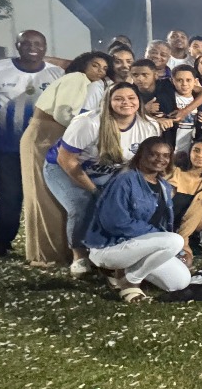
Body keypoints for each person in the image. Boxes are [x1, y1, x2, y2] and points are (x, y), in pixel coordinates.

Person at [44, 83, 161, 276]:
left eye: (131, 98)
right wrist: (94, 190)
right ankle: (79, 256)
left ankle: (112, 248)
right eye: (119, 98)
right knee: (82, 204)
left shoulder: (149, 126)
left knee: (126, 202)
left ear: (139, 101)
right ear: (108, 101)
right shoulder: (88, 123)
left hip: (110, 171)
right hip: (64, 168)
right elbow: (66, 159)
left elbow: (141, 162)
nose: (126, 102)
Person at [0, 29, 64, 259]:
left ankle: (49, 243)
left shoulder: (57, 74)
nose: (33, 47)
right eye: (27, 43)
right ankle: (1, 242)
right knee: (10, 197)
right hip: (7, 148)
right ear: (17, 45)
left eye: (38, 43)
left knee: (47, 196)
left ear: (45, 47)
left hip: (43, 149)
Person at [20, 51, 113, 266]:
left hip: (55, 134)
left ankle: (61, 249)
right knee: (43, 197)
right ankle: (45, 253)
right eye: (95, 65)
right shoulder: (76, 78)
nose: (100, 71)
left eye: (104, 68)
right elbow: (64, 112)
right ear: (83, 65)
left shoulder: (87, 83)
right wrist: (82, 127)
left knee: (57, 199)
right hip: (46, 135)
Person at [84, 137, 192, 302]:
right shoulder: (125, 180)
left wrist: (174, 250)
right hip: (111, 246)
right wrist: (159, 237)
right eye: (154, 154)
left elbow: (162, 226)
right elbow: (114, 222)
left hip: (142, 246)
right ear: (141, 155)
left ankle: (124, 273)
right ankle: (131, 280)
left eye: (165, 155)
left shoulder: (164, 186)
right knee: (175, 240)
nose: (160, 159)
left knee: (180, 281)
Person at [170, 137, 202, 252]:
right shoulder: (174, 172)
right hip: (153, 227)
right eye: (196, 150)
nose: (200, 155)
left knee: (186, 259)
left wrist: (184, 243)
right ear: (190, 153)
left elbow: (192, 219)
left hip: (175, 233)